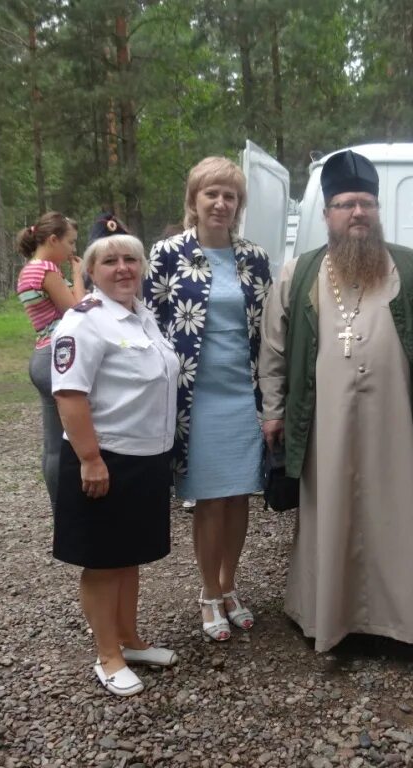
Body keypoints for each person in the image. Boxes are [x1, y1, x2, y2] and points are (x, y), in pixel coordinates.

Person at [259, 150, 413, 653]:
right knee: (330, 508)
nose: (357, 214)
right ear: (327, 214)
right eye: (345, 204)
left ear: (377, 209)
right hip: (326, 423)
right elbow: (274, 347)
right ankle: (328, 615)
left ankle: (402, 621)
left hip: (395, 418)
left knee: (398, 511)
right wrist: (274, 409)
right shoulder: (298, 273)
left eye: (365, 203)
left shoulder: (411, 268)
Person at [143, 158, 272, 642]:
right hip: (194, 398)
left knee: (239, 496)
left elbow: (267, 327)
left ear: (239, 206)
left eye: (230, 196)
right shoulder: (168, 253)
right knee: (209, 500)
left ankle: (230, 583)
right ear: (193, 201)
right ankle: (208, 592)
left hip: (244, 394)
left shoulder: (254, 258)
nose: (220, 203)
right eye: (211, 194)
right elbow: (148, 321)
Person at [51, 214, 180, 696]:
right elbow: (69, 394)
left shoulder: (141, 315)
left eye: (131, 259)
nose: (123, 268)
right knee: (104, 561)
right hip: (105, 459)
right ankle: (106, 655)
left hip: (145, 457)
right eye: (110, 260)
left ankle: (129, 639)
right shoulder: (84, 321)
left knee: (129, 557)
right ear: (91, 268)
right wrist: (90, 458)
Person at [15, 212, 84, 511]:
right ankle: (67, 509)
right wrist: (79, 276)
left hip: (41, 355)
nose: (72, 250)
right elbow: (76, 310)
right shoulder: (46, 269)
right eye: (69, 242)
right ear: (53, 240)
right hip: (58, 356)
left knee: (53, 443)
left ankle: (60, 509)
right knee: (68, 441)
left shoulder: (27, 270)